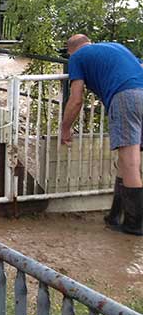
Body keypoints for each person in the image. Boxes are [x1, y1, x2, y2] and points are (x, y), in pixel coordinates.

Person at [61, 34, 143, 235]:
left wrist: (65, 127)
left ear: (71, 50)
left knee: (130, 162)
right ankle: (116, 216)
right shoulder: (116, 46)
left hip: (125, 97)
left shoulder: (77, 58)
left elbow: (76, 98)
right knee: (125, 162)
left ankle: (135, 225)